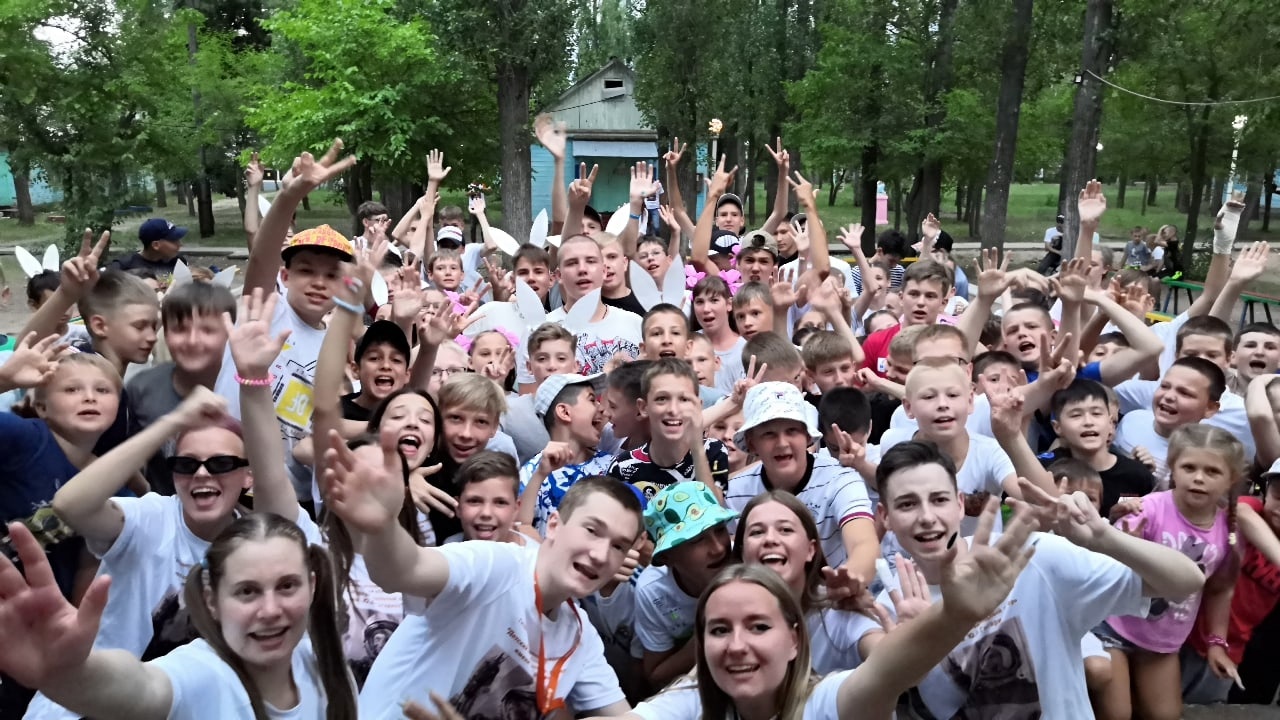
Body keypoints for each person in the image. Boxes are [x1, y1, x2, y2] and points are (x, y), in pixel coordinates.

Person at [322, 430, 643, 719]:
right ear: (555, 524)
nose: (601, 554)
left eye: (619, 546)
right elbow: (405, 570)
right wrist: (383, 527)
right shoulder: (497, 565)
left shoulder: (580, 637)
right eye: (592, 530)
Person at [873, 440, 1205, 717]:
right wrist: (922, 639)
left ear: (960, 505)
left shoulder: (1032, 555)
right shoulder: (891, 606)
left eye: (939, 499)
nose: (927, 517)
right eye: (907, 504)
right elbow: (888, 692)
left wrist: (1104, 538)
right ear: (885, 517)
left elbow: (1186, 581)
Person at [0, 514, 356, 720]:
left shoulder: (325, 669)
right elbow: (142, 686)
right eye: (247, 591)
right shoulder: (203, 674)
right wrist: (69, 673)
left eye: (287, 586)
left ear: (312, 586)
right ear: (212, 600)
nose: (271, 610)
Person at [1096, 425, 1242, 720]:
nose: (1198, 478)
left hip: (1162, 642)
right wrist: (1127, 546)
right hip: (1112, 627)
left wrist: (1216, 643)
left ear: (1231, 479)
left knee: (1165, 715)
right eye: (1189, 467)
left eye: (1212, 471)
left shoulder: (1228, 530)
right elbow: (1102, 567)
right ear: (1173, 468)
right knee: (1117, 714)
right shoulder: (1146, 510)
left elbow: (1220, 589)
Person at [727, 382, 879, 577]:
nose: (782, 443)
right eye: (769, 434)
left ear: (808, 437)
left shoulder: (840, 479)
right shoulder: (735, 492)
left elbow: (864, 544)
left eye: (792, 431)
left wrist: (848, 581)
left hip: (829, 593)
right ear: (751, 443)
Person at [735, 490, 884, 674]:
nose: (770, 539)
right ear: (742, 553)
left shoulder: (838, 611)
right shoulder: (724, 613)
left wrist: (904, 637)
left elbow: (886, 656)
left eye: (785, 530)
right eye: (757, 532)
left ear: (810, 550)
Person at [125, 281, 236, 495]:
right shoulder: (142, 388)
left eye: (208, 330)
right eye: (180, 329)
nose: (193, 341)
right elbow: (131, 461)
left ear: (230, 333)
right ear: (165, 334)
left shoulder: (249, 393)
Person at [634, 481, 739, 689]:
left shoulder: (746, 561)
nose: (718, 548)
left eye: (720, 530)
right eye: (697, 540)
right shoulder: (653, 591)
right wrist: (706, 637)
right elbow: (655, 675)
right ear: (667, 557)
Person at [608, 359, 729, 502]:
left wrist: (697, 448)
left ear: (698, 406)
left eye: (684, 399)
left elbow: (715, 510)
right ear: (643, 407)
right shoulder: (622, 466)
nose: (673, 409)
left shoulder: (713, 450)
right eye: (662, 399)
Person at [1039, 380, 1156, 518]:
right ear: (1057, 427)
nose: (1088, 422)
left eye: (1096, 413)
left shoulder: (1137, 475)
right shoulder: (1045, 468)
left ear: (1111, 423)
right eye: (1076, 415)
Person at [518, 373, 616, 535]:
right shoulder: (531, 474)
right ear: (564, 412)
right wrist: (539, 475)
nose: (602, 409)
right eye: (592, 400)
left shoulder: (613, 466)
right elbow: (518, 530)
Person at [690, 275, 745, 395]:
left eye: (714, 300)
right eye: (699, 302)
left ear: (729, 304)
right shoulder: (687, 344)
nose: (706, 309)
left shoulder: (745, 349)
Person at [107, 218, 188, 277]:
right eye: (174, 240)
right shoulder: (122, 267)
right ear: (156, 245)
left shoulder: (178, 262)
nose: (180, 244)